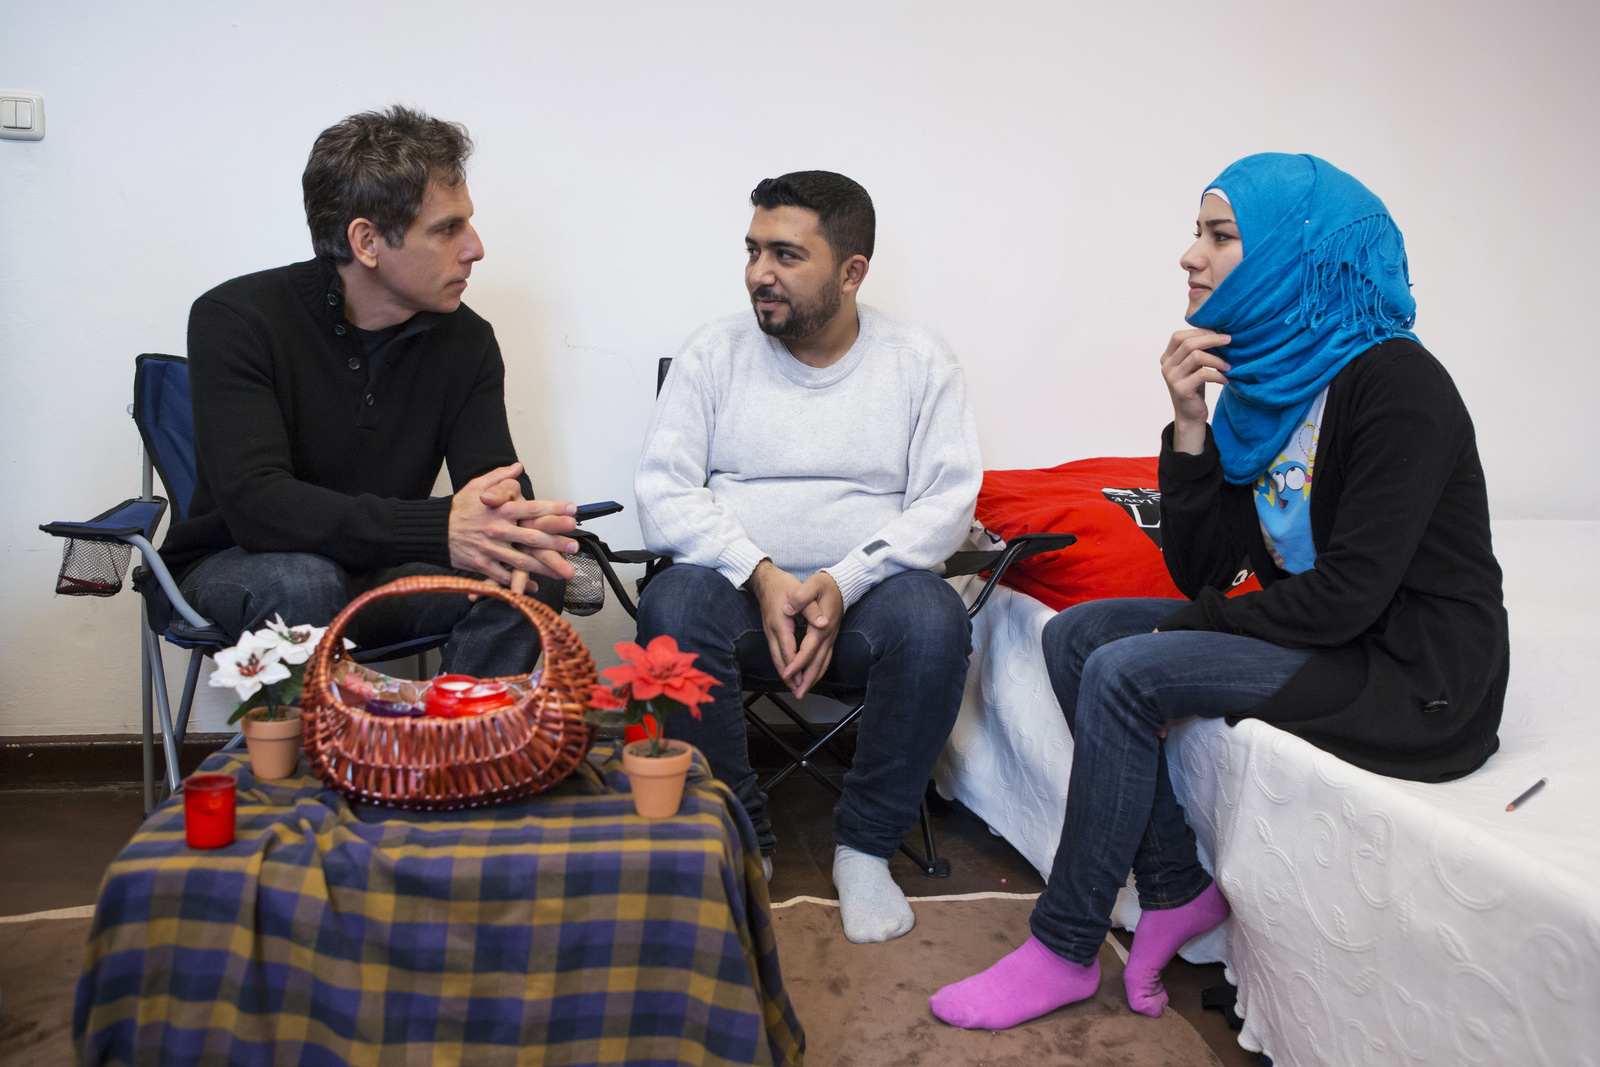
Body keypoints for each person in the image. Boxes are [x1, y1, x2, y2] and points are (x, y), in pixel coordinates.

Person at [930, 153, 1507, 1029]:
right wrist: (1192, 427)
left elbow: (1349, 596)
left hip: (1410, 673)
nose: (1189, 256)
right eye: (1198, 232)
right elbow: (1205, 573)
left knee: (1127, 672)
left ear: (1291, 257)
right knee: (1075, 637)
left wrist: (1191, 630)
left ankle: (1064, 947)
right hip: (1328, 634)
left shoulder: (1397, 385)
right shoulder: (1265, 385)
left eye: (1219, 235)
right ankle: (1177, 887)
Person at [633, 171, 983, 943]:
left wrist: (840, 579)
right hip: (736, 599)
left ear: (852, 271)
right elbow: (662, 490)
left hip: (864, 609)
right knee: (671, 603)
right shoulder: (713, 353)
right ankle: (742, 842)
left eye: (787, 254)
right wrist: (760, 575)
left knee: (935, 617)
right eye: (754, 250)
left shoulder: (920, 361)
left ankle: (863, 849)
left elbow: (947, 504)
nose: (760, 271)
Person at [161, 106, 580, 675]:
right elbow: (258, 507)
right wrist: (439, 527)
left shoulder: (468, 341)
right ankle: (328, 764)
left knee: (525, 572)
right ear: (366, 241)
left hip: (382, 571)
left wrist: (513, 524)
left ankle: (459, 751)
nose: (475, 248)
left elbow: (493, 488)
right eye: (446, 228)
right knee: (304, 580)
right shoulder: (236, 318)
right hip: (241, 563)